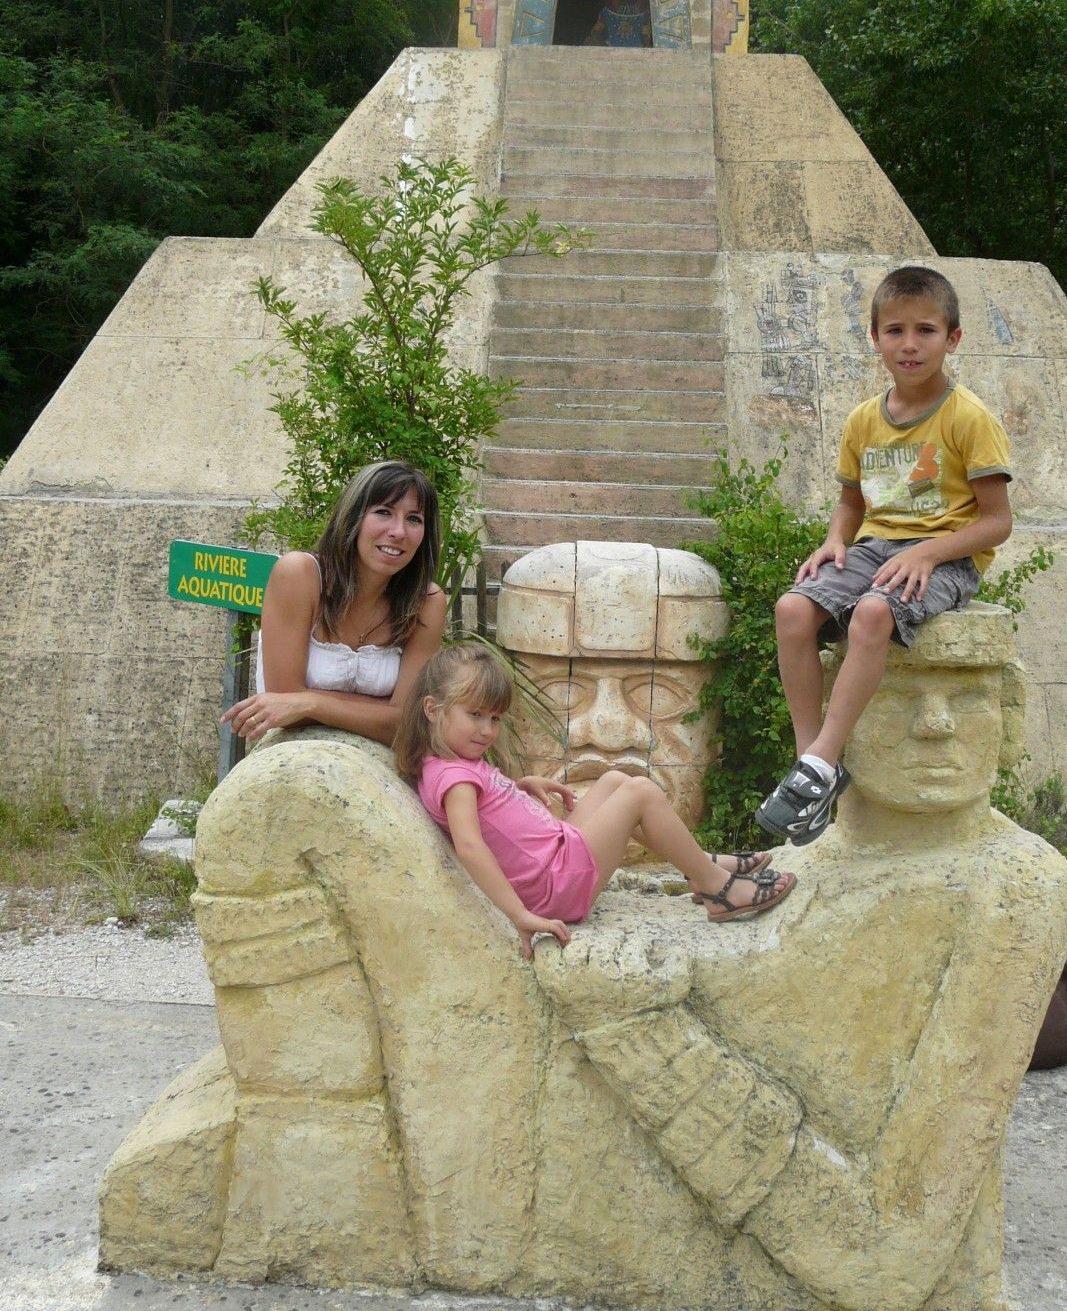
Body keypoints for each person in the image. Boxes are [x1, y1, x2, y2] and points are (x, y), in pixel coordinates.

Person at [761, 265, 1013, 847]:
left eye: (925, 330)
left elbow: (997, 522)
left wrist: (929, 552)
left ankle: (824, 760)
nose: (909, 343)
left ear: (953, 338)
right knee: (792, 611)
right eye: (894, 330)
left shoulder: (968, 418)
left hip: (949, 555)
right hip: (877, 547)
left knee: (874, 614)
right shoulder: (863, 420)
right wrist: (833, 541)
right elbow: (850, 504)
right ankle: (810, 759)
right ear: (874, 337)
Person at [395, 642, 796, 957]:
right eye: (476, 714)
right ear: (433, 709)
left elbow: (484, 808)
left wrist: (519, 785)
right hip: (557, 886)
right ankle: (718, 889)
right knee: (640, 792)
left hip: (558, 856)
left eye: (495, 718)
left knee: (614, 779)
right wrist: (519, 915)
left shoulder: (450, 763)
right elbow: (469, 844)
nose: (487, 730)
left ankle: (698, 861)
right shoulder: (455, 778)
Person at [222, 460, 447, 747]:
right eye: (383, 512)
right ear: (353, 517)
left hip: (383, 764)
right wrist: (379, 711)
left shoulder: (426, 602)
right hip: (291, 754)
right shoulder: (299, 575)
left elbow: (406, 723)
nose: (398, 531)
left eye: (414, 519)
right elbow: (283, 708)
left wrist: (310, 702)